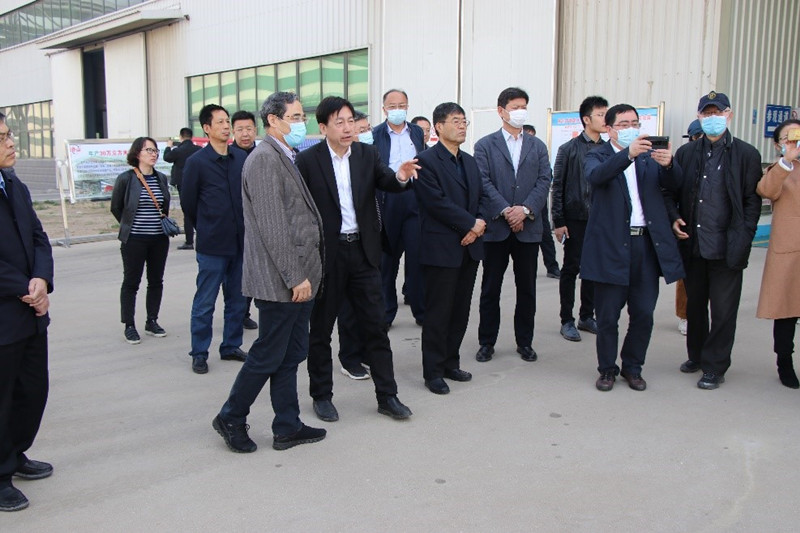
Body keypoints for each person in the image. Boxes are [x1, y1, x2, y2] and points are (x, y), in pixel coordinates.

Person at [212, 92, 327, 453]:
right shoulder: (263, 159)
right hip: (281, 281)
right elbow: (273, 227)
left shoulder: (283, 155)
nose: (302, 123)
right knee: (267, 353)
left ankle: (287, 425)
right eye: (295, 117)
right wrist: (295, 277)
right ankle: (231, 416)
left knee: (289, 355)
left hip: (298, 277)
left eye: (302, 116)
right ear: (273, 121)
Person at [296, 96, 416, 421]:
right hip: (328, 255)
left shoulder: (366, 154)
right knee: (321, 330)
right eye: (340, 122)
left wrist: (401, 176)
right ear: (323, 128)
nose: (348, 128)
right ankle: (322, 396)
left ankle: (387, 396)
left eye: (351, 121)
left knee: (375, 327)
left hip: (363, 252)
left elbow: (386, 181)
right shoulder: (308, 161)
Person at [583, 104, 685, 391]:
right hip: (611, 246)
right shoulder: (597, 155)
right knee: (608, 316)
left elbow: (674, 186)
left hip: (645, 245)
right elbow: (596, 177)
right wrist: (628, 154)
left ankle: (633, 367)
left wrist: (669, 165)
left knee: (643, 313)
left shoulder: (649, 157)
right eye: (624, 124)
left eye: (635, 123)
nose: (631, 129)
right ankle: (607, 369)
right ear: (609, 129)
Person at [668, 92, 762, 390]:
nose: (712, 119)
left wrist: (745, 235)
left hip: (727, 247)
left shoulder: (746, 154)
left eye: (717, 113)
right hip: (694, 244)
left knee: (723, 311)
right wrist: (674, 217)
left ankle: (715, 366)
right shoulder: (687, 153)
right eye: (706, 114)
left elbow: (752, 202)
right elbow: (671, 191)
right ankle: (696, 355)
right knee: (695, 307)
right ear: (699, 117)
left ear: (729, 115)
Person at [0, 114, 55, 512]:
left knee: (32, 391)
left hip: (31, 312)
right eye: (2, 137)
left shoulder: (14, 184)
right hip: (6, 313)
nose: (10, 142)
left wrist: (41, 278)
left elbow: (39, 237)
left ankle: (15, 453)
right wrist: (25, 287)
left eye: (9, 135)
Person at [474, 88, 551, 364]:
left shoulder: (537, 146)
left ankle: (525, 342)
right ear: (501, 111)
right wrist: (507, 210)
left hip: (528, 229)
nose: (521, 112)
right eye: (515, 107)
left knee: (527, 289)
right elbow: (483, 182)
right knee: (490, 288)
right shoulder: (485, 145)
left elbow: (544, 180)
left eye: (524, 106)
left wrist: (525, 210)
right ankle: (487, 342)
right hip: (496, 228)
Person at [415, 102, 485, 394]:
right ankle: (432, 371)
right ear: (439, 126)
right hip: (441, 247)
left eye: (464, 121)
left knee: (460, 310)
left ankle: (450, 362)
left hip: (470, 247)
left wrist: (479, 224)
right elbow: (436, 203)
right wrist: (470, 225)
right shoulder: (425, 161)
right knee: (438, 312)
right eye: (456, 121)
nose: (462, 126)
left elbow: (481, 196)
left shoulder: (469, 161)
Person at [182, 104, 249, 374]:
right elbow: (188, 203)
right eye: (219, 122)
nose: (225, 126)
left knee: (237, 300)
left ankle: (231, 345)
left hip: (240, 243)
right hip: (212, 245)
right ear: (206, 128)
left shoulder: (240, 158)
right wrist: (207, 226)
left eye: (226, 121)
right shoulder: (196, 162)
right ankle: (199, 352)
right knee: (205, 302)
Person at [551, 95, 608, 342]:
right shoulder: (569, 149)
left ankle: (587, 316)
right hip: (575, 219)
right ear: (586, 119)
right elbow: (557, 186)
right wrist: (558, 221)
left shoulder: (608, 150)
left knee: (593, 270)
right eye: (601, 114)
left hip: (601, 220)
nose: (606, 119)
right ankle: (567, 319)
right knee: (571, 269)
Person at [110, 137, 171, 344]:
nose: (153, 154)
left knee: (156, 281)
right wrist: (130, 226)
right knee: (131, 282)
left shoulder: (161, 178)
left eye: (155, 151)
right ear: (137, 154)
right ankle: (129, 325)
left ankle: (151, 321)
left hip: (159, 239)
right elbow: (116, 207)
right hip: (134, 240)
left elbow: (164, 206)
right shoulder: (126, 179)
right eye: (148, 150)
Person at [374, 89, 426, 328]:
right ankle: (386, 313)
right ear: (384, 109)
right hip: (388, 197)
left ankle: (421, 310)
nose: (397, 110)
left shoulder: (416, 132)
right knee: (388, 260)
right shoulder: (376, 134)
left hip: (414, 197)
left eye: (402, 105)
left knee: (417, 257)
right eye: (392, 106)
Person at [755, 118, 800, 389]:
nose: (795, 143)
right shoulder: (780, 170)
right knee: (787, 311)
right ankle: (784, 362)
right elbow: (766, 190)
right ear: (778, 145)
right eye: (788, 139)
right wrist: (787, 161)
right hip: (789, 251)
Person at [337, 109, 373, 380]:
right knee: (347, 307)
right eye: (359, 129)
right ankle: (350, 357)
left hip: (369, 241)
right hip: (342, 243)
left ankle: (367, 352)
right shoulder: (333, 161)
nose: (361, 133)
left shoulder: (368, 157)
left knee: (370, 305)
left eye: (364, 128)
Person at [675, 119, 705, 336]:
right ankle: (684, 315)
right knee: (685, 276)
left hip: (712, 227)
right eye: (697, 137)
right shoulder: (684, 155)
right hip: (687, 224)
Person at [231, 110, 259, 331]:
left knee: (253, 272)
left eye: (249, 128)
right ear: (233, 132)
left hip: (259, 226)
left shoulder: (263, 154)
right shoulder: (228, 156)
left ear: (255, 130)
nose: (245, 134)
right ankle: (234, 314)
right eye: (240, 129)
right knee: (235, 276)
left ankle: (244, 312)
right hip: (234, 226)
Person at [522, 123, 560, 279]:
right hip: (515, 205)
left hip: (537, 204)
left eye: (532, 135)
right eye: (527, 135)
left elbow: (546, 177)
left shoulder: (538, 152)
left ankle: (552, 267)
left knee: (545, 236)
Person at [163, 128, 200, 250]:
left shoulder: (178, 151)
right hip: (198, 183)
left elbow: (167, 157)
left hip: (183, 184)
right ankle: (202, 238)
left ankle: (189, 241)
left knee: (187, 212)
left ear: (181, 137)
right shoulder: (198, 149)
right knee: (200, 211)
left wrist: (168, 146)